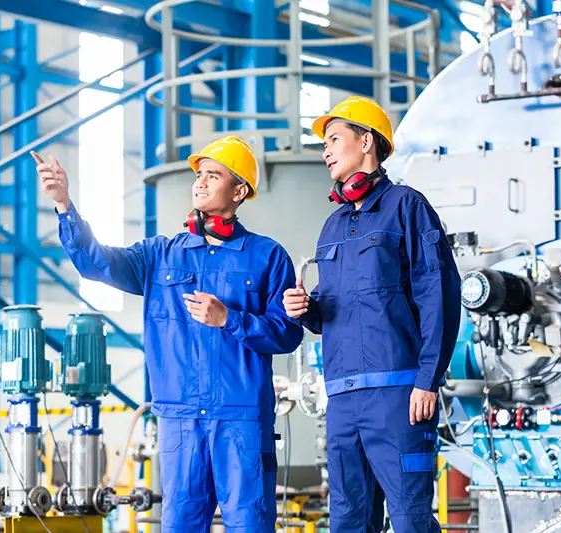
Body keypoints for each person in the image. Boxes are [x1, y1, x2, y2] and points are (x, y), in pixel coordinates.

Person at [32, 136, 304, 533]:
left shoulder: (267, 256)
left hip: (242, 419)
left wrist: (230, 319)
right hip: (180, 420)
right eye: (199, 174)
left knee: (250, 525)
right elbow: (96, 263)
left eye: (214, 175)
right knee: (179, 525)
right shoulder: (159, 255)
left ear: (240, 190)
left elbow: (286, 333)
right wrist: (63, 205)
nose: (200, 182)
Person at [283, 96, 462, 533]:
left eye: (333, 139)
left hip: (398, 393)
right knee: (347, 519)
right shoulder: (334, 225)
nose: (325, 150)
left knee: (409, 516)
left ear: (366, 142)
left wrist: (427, 378)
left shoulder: (406, 205)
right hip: (342, 396)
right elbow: (333, 310)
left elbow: (438, 292)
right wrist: (306, 310)